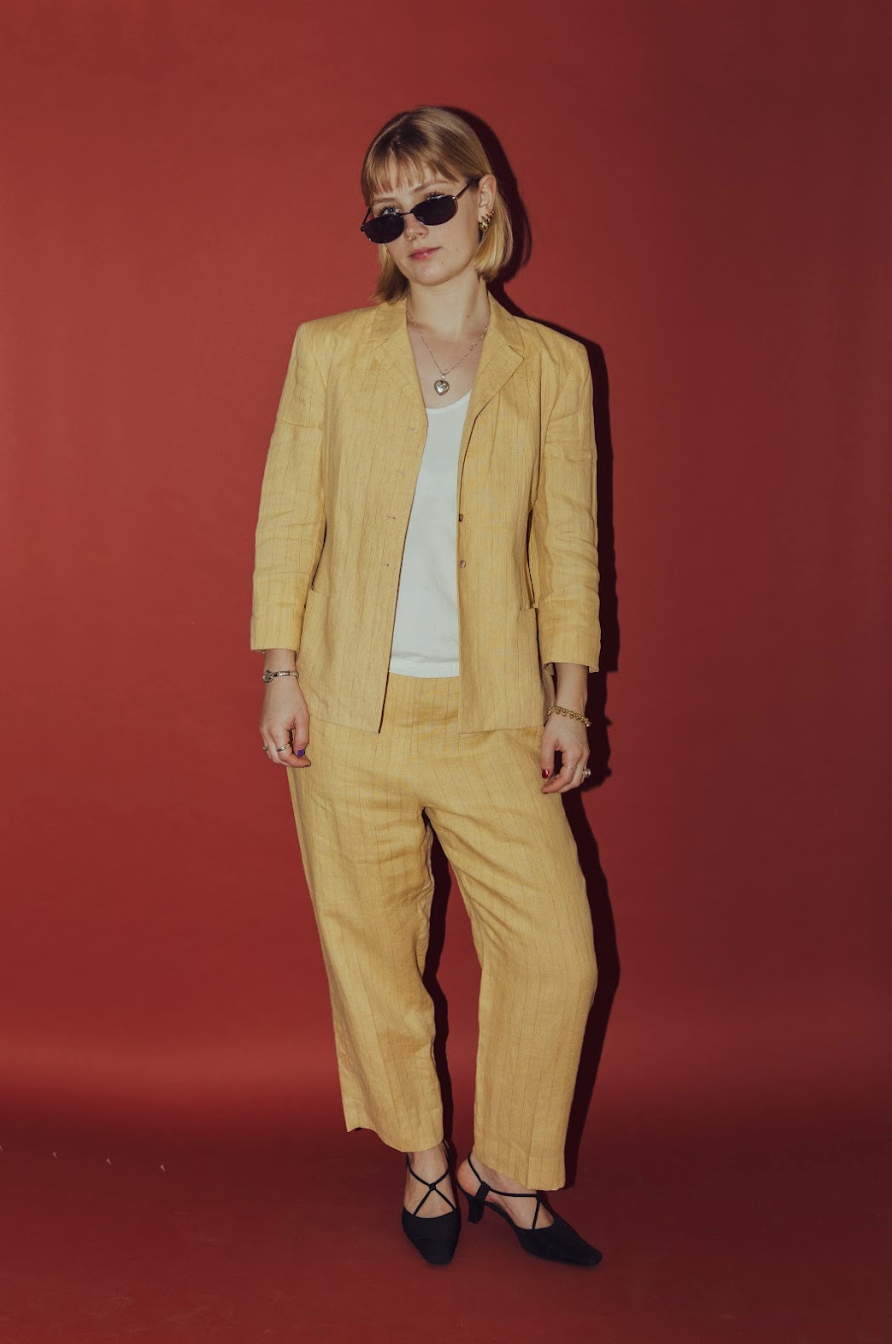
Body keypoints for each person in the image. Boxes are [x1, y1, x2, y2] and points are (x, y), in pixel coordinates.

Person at [251, 106, 602, 1268]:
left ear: (485, 198)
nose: (413, 227)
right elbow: (289, 517)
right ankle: (421, 1156)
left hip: (493, 714)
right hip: (348, 710)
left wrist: (567, 701)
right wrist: (280, 671)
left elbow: (567, 550)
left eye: (434, 199)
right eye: (387, 212)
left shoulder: (554, 368)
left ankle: (508, 1165)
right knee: (374, 950)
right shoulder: (329, 352)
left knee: (556, 955)